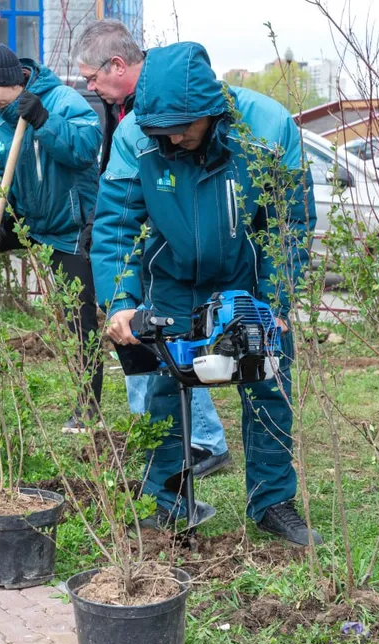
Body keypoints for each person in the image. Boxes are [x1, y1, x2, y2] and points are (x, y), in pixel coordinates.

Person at [91, 42, 321, 545]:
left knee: (268, 385)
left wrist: (275, 300)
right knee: (164, 389)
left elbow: (290, 224)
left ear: (211, 112)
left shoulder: (266, 126)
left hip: (247, 278)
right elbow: (117, 226)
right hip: (171, 280)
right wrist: (121, 300)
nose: (172, 137)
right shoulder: (136, 134)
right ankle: (167, 502)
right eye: (162, 129)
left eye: (183, 127)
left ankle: (273, 502)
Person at [74, 20, 231, 478]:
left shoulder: (171, 107)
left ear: (117, 65)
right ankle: (162, 439)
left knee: (167, 346)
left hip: (170, 257)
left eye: (90, 77)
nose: (89, 86)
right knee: (140, 339)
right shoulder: (128, 112)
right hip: (144, 249)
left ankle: (200, 441)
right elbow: (121, 203)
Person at [0, 43, 104, 433]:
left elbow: (84, 152)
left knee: (79, 317)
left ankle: (88, 406)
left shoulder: (65, 101)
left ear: (11, 83)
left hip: (68, 224)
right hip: (24, 216)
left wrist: (44, 121)